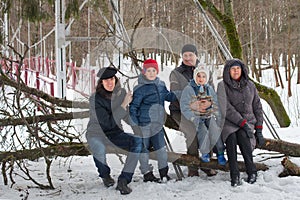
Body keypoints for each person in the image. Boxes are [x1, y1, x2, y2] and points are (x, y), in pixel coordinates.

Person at [86, 66, 142, 195]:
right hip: (96, 133)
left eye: (111, 79)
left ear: (115, 79)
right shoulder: (95, 99)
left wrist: (139, 127)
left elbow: (126, 115)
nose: (110, 83)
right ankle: (105, 175)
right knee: (99, 149)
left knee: (137, 142)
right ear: (101, 83)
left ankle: (124, 180)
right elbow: (107, 123)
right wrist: (123, 104)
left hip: (115, 133)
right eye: (106, 80)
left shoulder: (121, 93)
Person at [217, 58, 266, 187]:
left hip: (247, 122)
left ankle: (252, 170)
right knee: (231, 138)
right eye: (233, 69)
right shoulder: (222, 86)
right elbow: (226, 108)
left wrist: (259, 129)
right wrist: (241, 122)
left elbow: (257, 107)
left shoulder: (250, 85)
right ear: (228, 71)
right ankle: (234, 174)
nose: (236, 71)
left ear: (242, 70)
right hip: (229, 122)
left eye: (238, 68)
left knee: (244, 137)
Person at [169, 44, 216, 177]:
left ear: (196, 55)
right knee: (192, 132)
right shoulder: (176, 73)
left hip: (203, 110)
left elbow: (212, 90)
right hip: (180, 110)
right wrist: (191, 103)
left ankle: (208, 164)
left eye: (191, 55)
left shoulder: (206, 71)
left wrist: (208, 102)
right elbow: (175, 92)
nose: (188, 58)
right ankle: (193, 166)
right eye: (185, 55)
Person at [129, 58, 177, 182]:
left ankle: (164, 173)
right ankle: (147, 173)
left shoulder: (161, 85)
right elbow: (133, 107)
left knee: (161, 149)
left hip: (157, 124)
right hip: (144, 124)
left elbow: (168, 96)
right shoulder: (140, 88)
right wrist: (135, 125)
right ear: (144, 72)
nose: (151, 73)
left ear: (157, 71)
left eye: (153, 70)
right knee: (143, 150)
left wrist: (178, 93)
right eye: (148, 70)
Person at [180, 66, 226, 165]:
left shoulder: (209, 89)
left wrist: (216, 114)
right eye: (199, 76)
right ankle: (205, 153)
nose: (201, 79)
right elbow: (184, 106)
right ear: (194, 77)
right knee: (203, 132)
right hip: (197, 117)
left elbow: (215, 102)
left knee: (215, 131)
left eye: (204, 76)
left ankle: (220, 153)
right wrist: (192, 116)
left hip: (208, 116)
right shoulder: (189, 89)